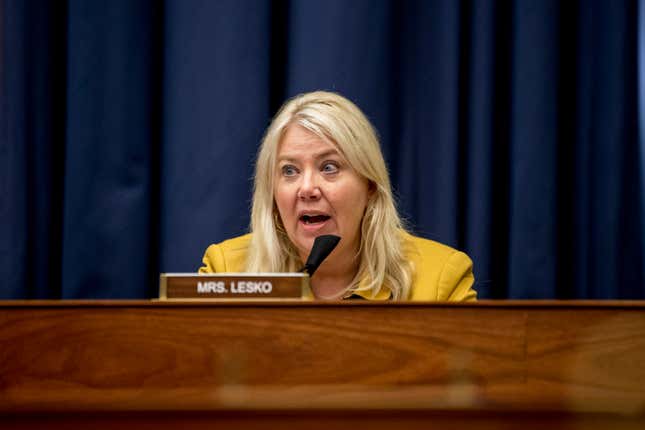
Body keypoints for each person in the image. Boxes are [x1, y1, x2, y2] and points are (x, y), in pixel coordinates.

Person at [199, 91, 476, 301]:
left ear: (369, 185)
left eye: (329, 167)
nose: (307, 188)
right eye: (290, 170)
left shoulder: (441, 279)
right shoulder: (226, 271)